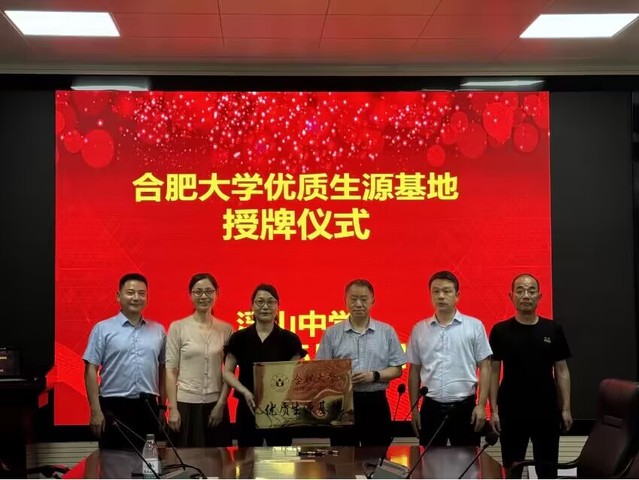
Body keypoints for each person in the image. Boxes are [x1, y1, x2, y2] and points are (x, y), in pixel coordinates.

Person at [489, 273, 572, 479]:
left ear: (539, 296)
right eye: (520, 290)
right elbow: (493, 372)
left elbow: (562, 371)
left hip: (546, 410)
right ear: (511, 296)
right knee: (512, 469)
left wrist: (566, 408)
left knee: (547, 469)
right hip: (511, 410)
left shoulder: (553, 329)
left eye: (531, 291)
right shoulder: (500, 331)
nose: (526, 295)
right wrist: (494, 410)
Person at [315, 278, 406, 447]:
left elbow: (397, 369)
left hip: (376, 403)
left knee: (376, 454)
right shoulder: (332, 333)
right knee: (343, 456)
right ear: (345, 301)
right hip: (342, 404)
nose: (358, 304)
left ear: (373, 301)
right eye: (353, 299)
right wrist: (341, 378)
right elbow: (320, 370)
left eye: (364, 299)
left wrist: (374, 376)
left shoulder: (386, 332)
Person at [407, 270, 492, 447]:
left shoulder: (474, 326)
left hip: (465, 408)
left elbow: (485, 367)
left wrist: (481, 405)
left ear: (457, 295)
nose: (441, 296)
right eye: (436, 291)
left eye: (446, 291)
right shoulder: (419, 329)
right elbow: (414, 371)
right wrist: (414, 409)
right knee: (429, 460)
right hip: (431, 408)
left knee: (467, 459)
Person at [83, 273, 166, 450]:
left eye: (141, 293)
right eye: (130, 292)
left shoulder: (158, 330)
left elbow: (163, 370)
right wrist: (96, 411)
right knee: (113, 461)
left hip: (148, 407)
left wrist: (162, 407)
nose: (136, 297)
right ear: (118, 296)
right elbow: (90, 369)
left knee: (149, 461)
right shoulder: (103, 329)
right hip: (113, 407)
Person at [223, 284, 306, 447]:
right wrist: (244, 391)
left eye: (270, 302)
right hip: (248, 407)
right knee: (247, 457)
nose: (265, 306)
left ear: (277, 306)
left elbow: (294, 375)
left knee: (281, 459)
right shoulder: (239, 338)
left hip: (280, 410)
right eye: (260, 302)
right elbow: (227, 372)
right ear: (252, 306)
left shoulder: (290, 340)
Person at [165, 273, 233, 447]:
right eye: (198, 292)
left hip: (215, 406)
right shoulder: (177, 327)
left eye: (209, 291)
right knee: (185, 459)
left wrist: (221, 405)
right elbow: (170, 371)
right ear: (190, 295)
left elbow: (229, 372)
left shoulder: (226, 329)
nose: (204, 296)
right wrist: (173, 408)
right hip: (185, 405)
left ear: (217, 293)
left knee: (217, 460)